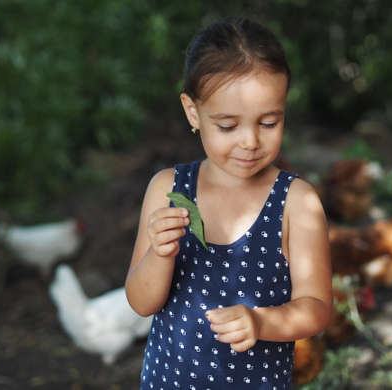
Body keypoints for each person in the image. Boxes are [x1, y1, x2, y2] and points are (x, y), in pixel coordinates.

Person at [125, 16, 332, 389]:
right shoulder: (168, 190)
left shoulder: (296, 203)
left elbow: (316, 308)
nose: (250, 141)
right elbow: (142, 304)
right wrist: (159, 253)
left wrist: (261, 322)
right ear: (193, 113)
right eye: (227, 125)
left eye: (268, 123)